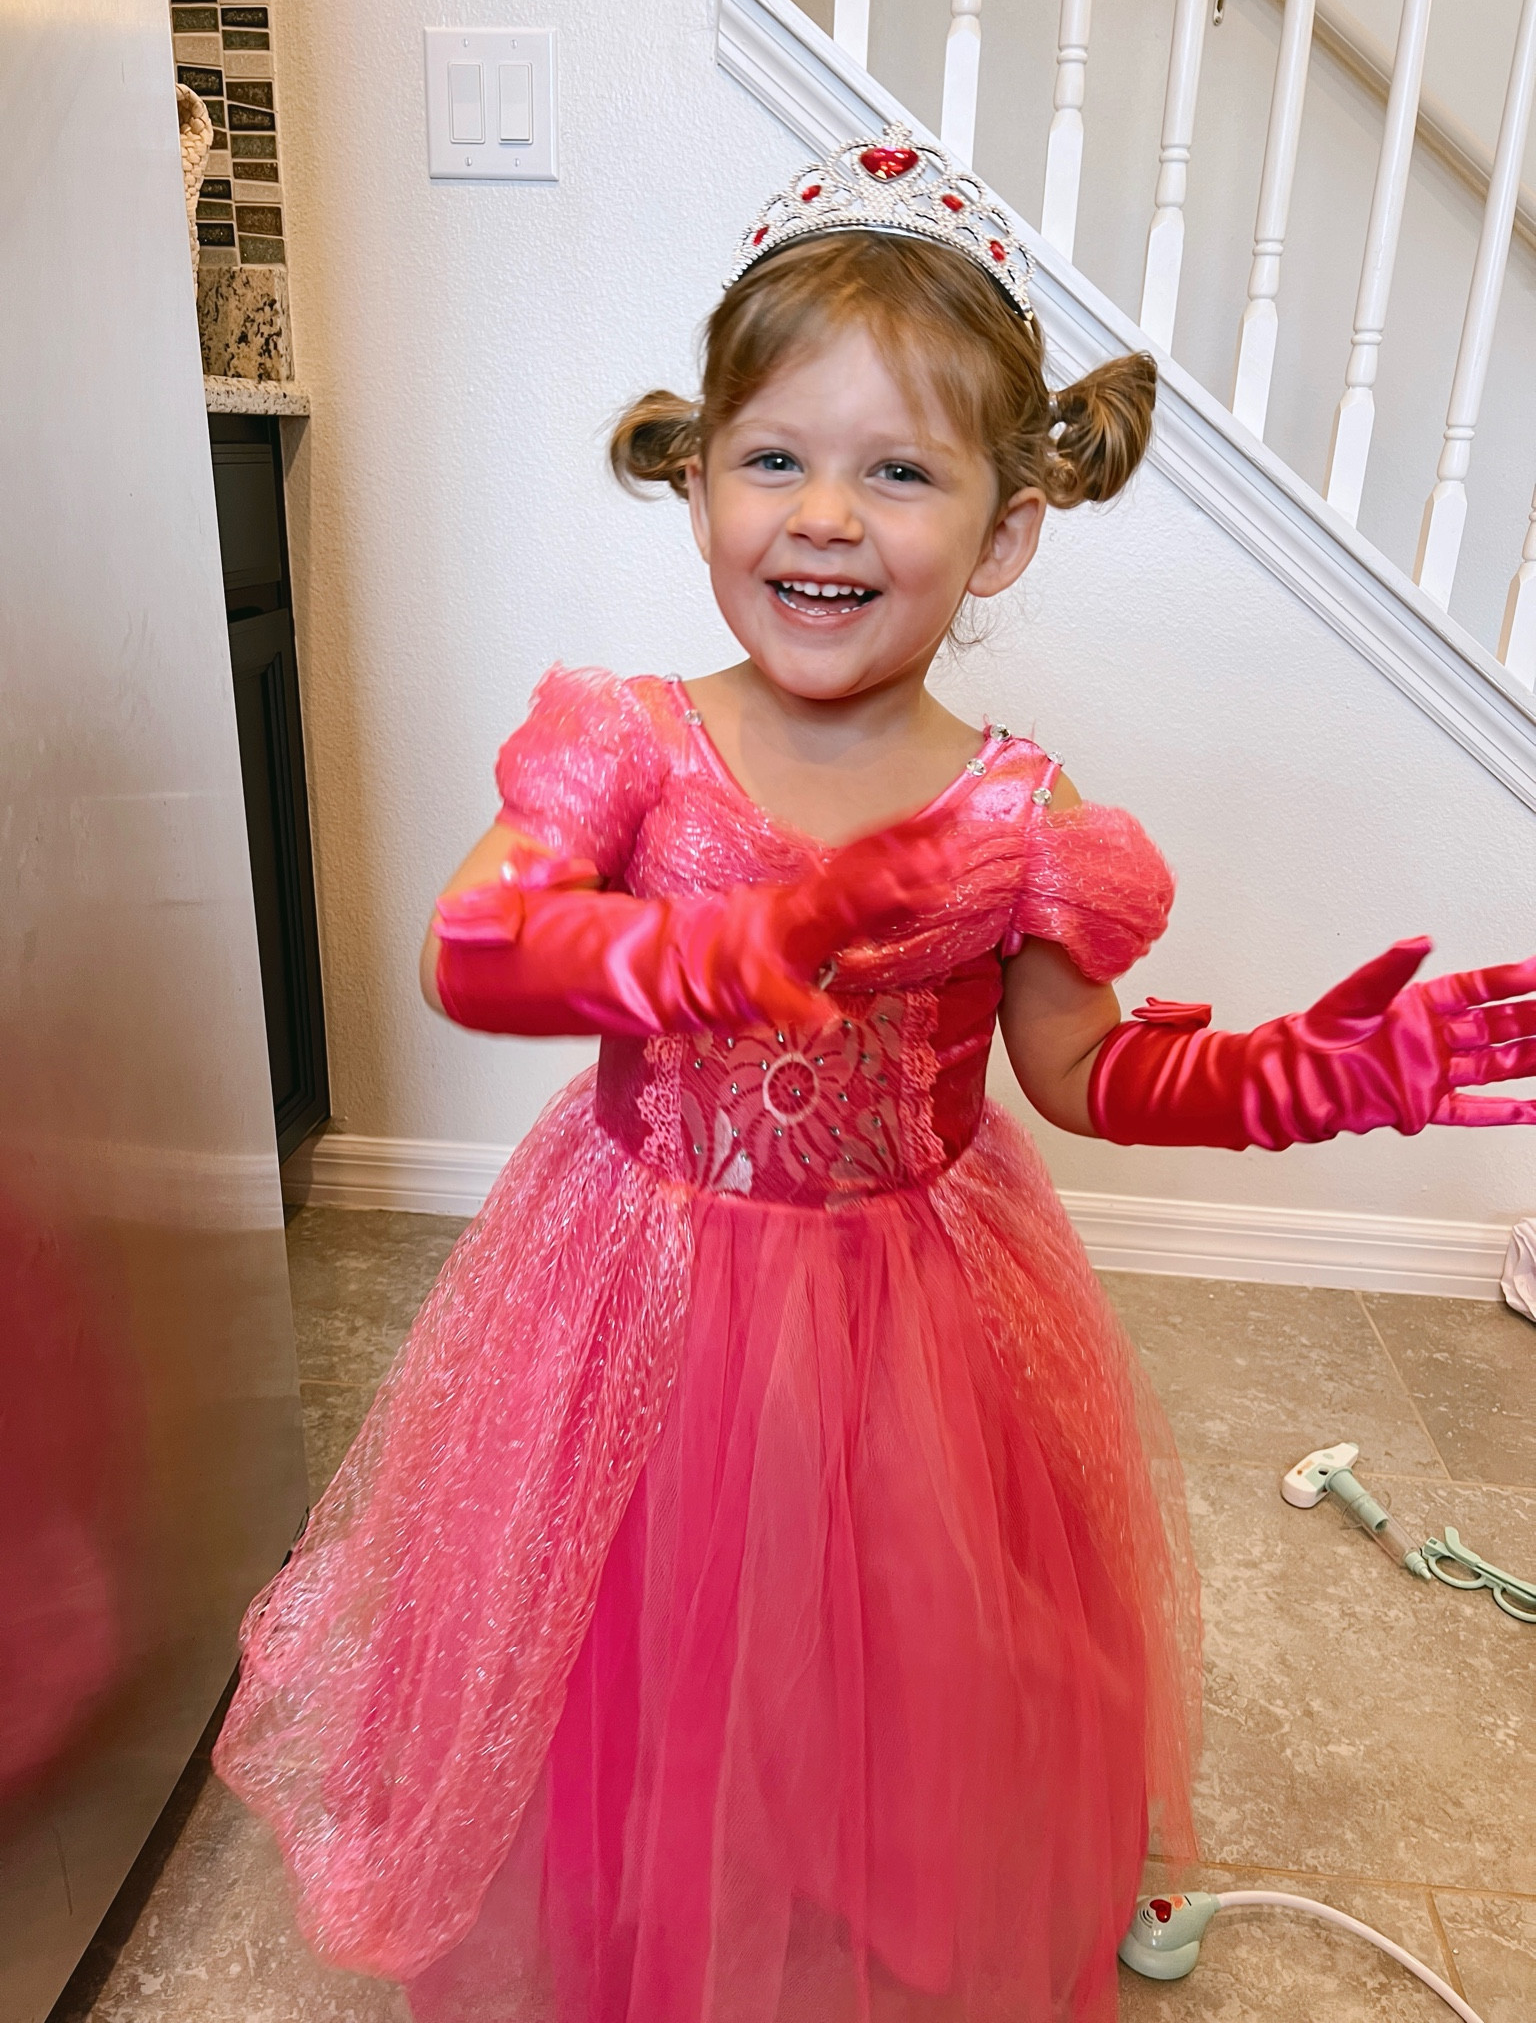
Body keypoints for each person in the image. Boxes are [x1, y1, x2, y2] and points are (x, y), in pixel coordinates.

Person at [215, 127, 1536, 2022]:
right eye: (775, 457)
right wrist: (709, 949)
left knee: (913, 1656)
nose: (823, 515)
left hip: (920, 1306)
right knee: (627, 1645)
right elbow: (472, 949)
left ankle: (861, 1930)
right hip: (632, 1293)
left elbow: (1081, 1071)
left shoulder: (1024, 814)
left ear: (1004, 527)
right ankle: (654, 1928)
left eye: (896, 471)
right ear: (695, 482)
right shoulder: (628, 748)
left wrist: (1285, 1084)